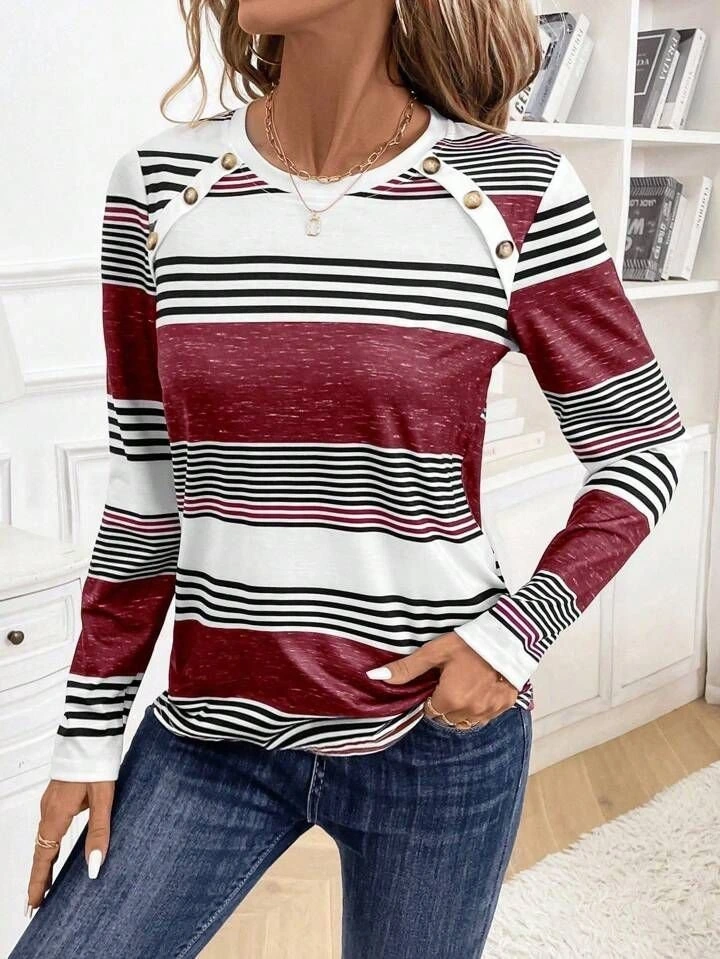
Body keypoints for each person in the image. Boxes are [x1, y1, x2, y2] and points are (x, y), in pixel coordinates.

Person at [11, 1, 686, 957]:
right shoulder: (160, 185)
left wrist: (511, 637)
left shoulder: (514, 189)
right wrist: (87, 732)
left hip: (432, 737)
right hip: (211, 732)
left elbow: (641, 446)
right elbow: (146, 484)